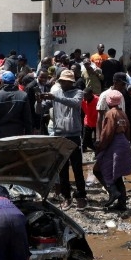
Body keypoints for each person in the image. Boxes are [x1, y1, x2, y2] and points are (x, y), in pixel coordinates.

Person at [40, 70, 89, 208]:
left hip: (74, 135)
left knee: (77, 168)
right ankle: (66, 196)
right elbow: (40, 109)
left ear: (71, 82)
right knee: (62, 168)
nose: (63, 83)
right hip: (59, 134)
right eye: (61, 81)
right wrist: (38, 101)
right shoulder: (56, 93)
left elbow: (75, 103)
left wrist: (55, 98)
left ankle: (81, 195)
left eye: (66, 81)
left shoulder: (78, 92)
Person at [93, 89, 131, 211]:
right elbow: (128, 131)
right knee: (118, 174)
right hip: (123, 143)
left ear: (108, 101)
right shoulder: (123, 113)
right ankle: (122, 203)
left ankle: (112, 191)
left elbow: (107, 133)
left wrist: (100, 147)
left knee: (98, 169)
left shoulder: (110, 114)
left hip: (114, 143)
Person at [0, 71, 33, 138]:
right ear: (14, 81)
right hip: (18, 134)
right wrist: (28, 135)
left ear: (2, 82)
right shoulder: (23, 95)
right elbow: (27, 119)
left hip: (0, 135)